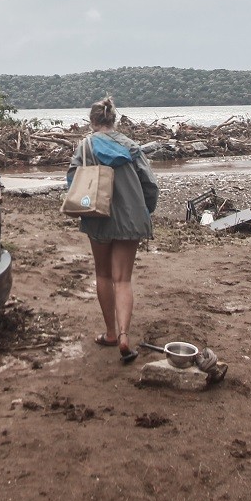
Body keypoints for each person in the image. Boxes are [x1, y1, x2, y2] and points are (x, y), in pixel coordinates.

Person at [68, 96, 159, 364]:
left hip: (98, 217)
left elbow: (73, 180)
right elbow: (150, 184)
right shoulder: (131, 146)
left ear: (93, 121)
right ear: (113, 120)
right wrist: (145, 209)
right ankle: (123, 336)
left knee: (103, 275)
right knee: (123, 279)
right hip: (130, 217)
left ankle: (109, 333)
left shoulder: (85, 146)